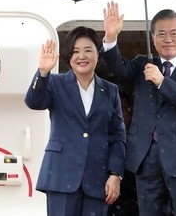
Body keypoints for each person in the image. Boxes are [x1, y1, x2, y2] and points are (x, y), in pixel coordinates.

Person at [101, 1, 176, 216]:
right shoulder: (144, 63)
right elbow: (117, 67)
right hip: (147, 157)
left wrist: (162, 82)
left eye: (173, 33)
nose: (167, 39)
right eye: (161, 34)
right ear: (152, 38)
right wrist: (111, 37)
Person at [25, 26, 126, 216]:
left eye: (88, 50)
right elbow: (34, 102)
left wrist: (115, 174)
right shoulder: (55, 83)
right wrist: (43, 73)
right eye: (75, 51)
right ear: (68, 56)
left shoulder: (110, 91)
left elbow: (118, 136)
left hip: (97, 179)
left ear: (98, 53)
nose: (82, 56)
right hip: (61, 175)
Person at [108, 91, 139, 216]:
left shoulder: (140, 143)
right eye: (115, 109)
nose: (119, 114)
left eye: (124, 109)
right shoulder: (98, 141)